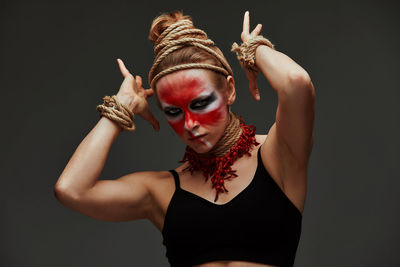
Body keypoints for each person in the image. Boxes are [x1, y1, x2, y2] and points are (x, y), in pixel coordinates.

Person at [55, 10, 315, 267]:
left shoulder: (278, 155)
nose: (190, 124)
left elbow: (296, 82)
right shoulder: (160, 190)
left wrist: (253, 49)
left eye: (201, 103)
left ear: (230, 89)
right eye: (174, 111)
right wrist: (121, 107)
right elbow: (71, 190)